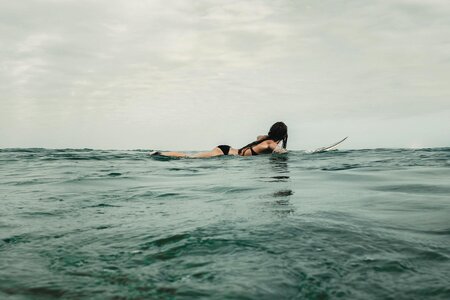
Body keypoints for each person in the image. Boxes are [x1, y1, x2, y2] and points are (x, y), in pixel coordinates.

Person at [152, 122, 288, 158]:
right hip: (225, 153)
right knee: (190, 157)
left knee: (191, 157)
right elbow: (282, 152)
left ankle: (161, 153)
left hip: (227, 149)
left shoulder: (264, 140)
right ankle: (161, 153)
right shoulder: (270, 143)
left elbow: (259, 137)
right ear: (282, 135)